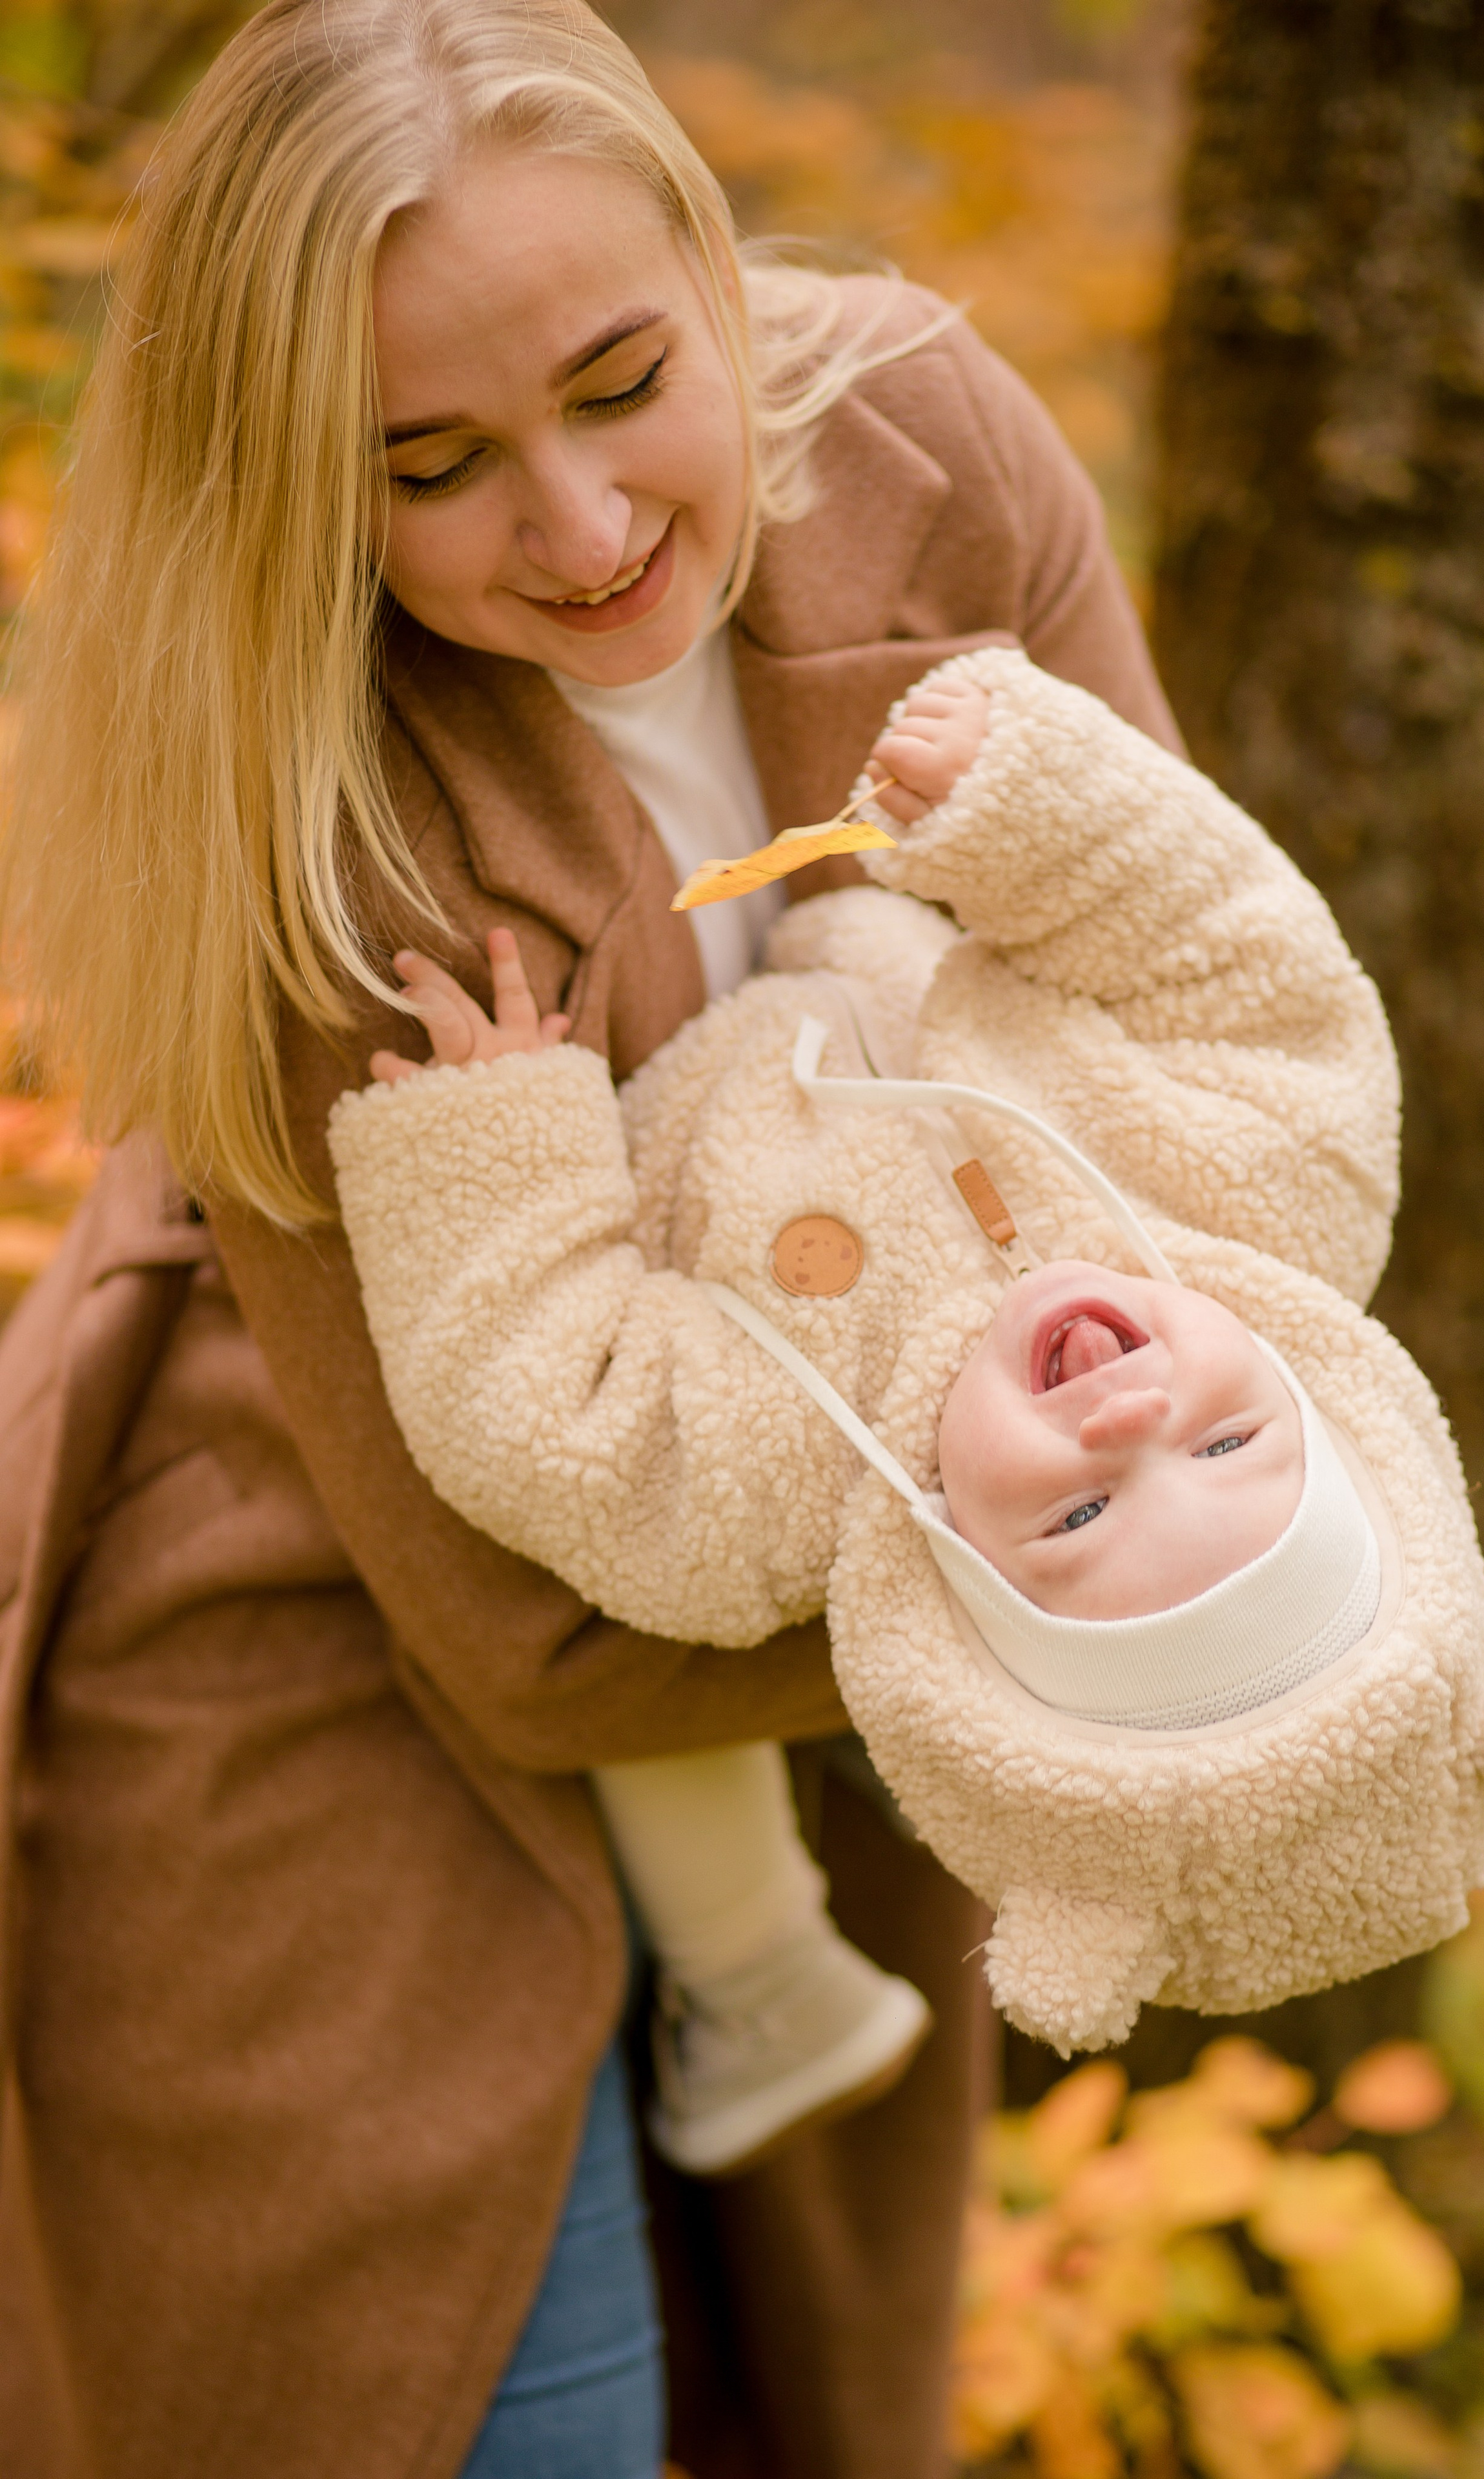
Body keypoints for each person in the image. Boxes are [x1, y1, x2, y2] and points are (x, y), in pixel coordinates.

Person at [0, 3, 1188, 2475]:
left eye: (625, 383)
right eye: (428, 467)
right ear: (302, 493)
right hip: (331, 1668)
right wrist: (1088, 1555)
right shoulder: (309, 789)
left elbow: (1178, 1025)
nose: (576, 527)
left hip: (812, 1665)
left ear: (711, 268)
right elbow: (531, 1641)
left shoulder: (930, 444)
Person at [334, 644, 1484, 2082]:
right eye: (1227, 1444)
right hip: (871, 882)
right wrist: (1029, 806)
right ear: (1319, 1406)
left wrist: (493, 1135)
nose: (1126, 1418)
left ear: (961, 1584)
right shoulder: (1274, 1182)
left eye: (1077, 1517)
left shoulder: (761, 1486)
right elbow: (1240, 962)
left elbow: (537, 1408)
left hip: (644, 1025)